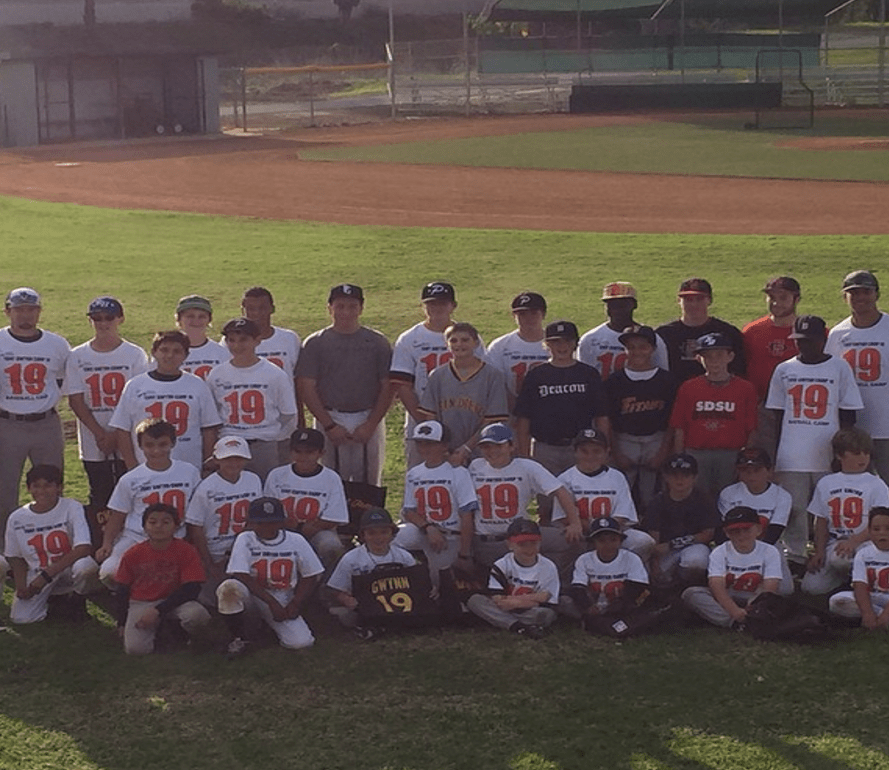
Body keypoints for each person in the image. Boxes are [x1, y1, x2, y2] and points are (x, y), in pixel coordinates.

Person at [766, 314, 864, 565]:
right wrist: (776, 455)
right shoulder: (784, 369)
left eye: (811, 340)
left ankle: (831, 552)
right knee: (795, 509)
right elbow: (776, 416)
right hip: (791, 453)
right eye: (800, 340)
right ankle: (796, 554)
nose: (805, 345)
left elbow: (847, 415)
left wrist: (841, 454)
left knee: (830, 509)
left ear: (824, 339)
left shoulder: (839, 367)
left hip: (827, 452)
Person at [297, 283, 392, 485]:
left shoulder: (377, 342)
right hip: (330, 415)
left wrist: (371, 424)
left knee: (369, 481)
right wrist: (329, 425)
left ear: (361, 308)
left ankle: (367, 518)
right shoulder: (316, 342)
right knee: (329, 479)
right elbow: (306, 387)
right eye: (340, 306)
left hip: (367, 415)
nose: (346, 312)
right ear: (329, 308)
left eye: (352, 306)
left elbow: (388, 386)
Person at [513, 320, 609, 519]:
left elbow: (601, 415)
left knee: (582, 501)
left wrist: (604, 447)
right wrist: (523, 455)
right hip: (545, 448)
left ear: (575, 343)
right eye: (555, 342)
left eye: (566, 341)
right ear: (546, 344)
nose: (562, 347)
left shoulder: (588, 374)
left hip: (582, 448)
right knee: (546, 506)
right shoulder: (536, 375)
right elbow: (523, 419)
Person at [66, 296, 149, 524]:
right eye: (97, 318)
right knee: (100, 494)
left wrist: (115, 433)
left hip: (128, 437)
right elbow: (75, 399)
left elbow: (139, 398)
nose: (103, 323)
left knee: (131, 491)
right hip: (94, 439)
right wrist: (99, 433)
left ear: (120, 319)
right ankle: (101, 545)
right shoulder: (78, 355)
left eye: (108, 318)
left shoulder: (134, 354)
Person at [0, 287, 70, 547]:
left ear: (39, 311)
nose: (25, 315)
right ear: (8, 311)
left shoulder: (57, 344)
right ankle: (8, 549)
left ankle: (51, 542)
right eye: (19, 309)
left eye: (31, 309)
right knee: (5, 489)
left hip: (45, 422)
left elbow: (65, 381)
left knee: (52, 483)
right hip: (8, 422)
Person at [96, 418, 202, 586]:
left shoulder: (189, 472)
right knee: (110, 572)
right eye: (150, 445)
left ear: (173, 443)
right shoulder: (130, 479)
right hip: (137, 537)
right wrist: (107, 543)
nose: (156, 450)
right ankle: (126, 598)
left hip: (175, 537)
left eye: (162, 444)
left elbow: (196, 512)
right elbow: (117, 516)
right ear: (140, 446)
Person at [468, 422, 581, 577]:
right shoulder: (474, 466)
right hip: (487, 542)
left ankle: (555, 583)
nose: (492, 451)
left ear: (511, 446)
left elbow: (560, 491)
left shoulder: (527, 467)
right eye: (487, 446)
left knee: (569, 540)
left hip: (522, 535)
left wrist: (575, 523)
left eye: (498, 445)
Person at [390, 281, 483, 469]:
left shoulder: (468, 336)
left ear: (453, 306)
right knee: (422, 477)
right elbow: (403, 386)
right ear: (423, 306)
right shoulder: (410, 338)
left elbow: (481, 379)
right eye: (431, 303)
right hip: (422, 418)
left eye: (442, 303)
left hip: (463, 416)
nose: (437, 308)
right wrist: (425, 421)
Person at [217, 497, 324, 655]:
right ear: (251, 523)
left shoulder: (296, 540)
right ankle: (238, 637)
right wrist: (271, 603)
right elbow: (240, 574)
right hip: (253, 593)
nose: (266, 527)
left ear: (282, 522)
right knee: (229, 588)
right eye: (260, 522)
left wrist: (295, 603)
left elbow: (311, 575)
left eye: (272, 522)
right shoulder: (245, 538)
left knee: (301, 643)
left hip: (283, 594)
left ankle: (267, 626)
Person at [109, 330, 220, 472]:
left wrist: (206, 466)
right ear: (154, 352)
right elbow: (122, 429)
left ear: (186, 355)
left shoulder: (197, 385)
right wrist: (132, 466)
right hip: (146, 467)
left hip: (189, 466)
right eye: (164, 350)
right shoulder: (135, 385)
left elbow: (208, 429)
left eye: (177, 351)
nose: (170, 356)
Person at [206, 318, 298, 481]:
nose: (237, 346)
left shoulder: (274, 373)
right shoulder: (217, 374)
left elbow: (288, 412)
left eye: (243, 340)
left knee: (266, 489)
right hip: (230, 442)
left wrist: (270, 433)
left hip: (262, 444)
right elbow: (212, 413)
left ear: (257, 340)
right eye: (231, 340)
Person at [4, 464, 98, 624]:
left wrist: (47, 575)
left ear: (59, 488)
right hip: (38, 572)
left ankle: (77, 599)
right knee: (21, 618)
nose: (42, 491)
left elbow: (83, 547)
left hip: (67, 570)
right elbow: (15, 556)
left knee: (86, 568)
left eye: (48, 485)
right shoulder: (17, 518)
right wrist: (21, 586)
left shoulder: (71, 507)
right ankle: (55, 603)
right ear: (28, 488)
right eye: (36, 486)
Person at [669, 332, 758, 499]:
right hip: (696, 452)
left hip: (730, 453)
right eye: (708, 356)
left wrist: (745, 459)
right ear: (698, 359)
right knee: (697, 497)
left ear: (730, 356)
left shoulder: (745, 388)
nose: (714, 361)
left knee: (728, 497)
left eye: (719, 355)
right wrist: (680, 457)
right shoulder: (688, 388)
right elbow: (679, 427)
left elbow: (752, 428)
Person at [802, 427, 889, 596]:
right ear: (839, 455)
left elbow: (883, 522)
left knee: (840, 559)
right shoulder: (826, 482)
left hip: (865, 542)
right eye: (856, 453)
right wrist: (819, 551)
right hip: (835, 541)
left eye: (866, 453)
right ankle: (844, 579)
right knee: (810, 587)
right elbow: (820, 521)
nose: (862, 458)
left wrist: (854, 541)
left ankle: (857, 583)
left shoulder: (876, 484)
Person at [115, 502, 210, 655]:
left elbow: (192, 588)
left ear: (176, 527)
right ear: (144, 527)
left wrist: (158, 610)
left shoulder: (186, 550)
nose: (159, 526)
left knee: (197, 615)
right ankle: (161, 633)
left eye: (166, 522)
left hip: (176, 601)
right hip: (142, 602)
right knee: (135, 650)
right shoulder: (133, 554)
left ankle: (182, 633)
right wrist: (121, 621)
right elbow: (122, 589)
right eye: (152, 522)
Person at [393, 420, 478, 586]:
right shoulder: (414, 473)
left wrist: (464, 553)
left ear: (445, 446)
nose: (424, 448)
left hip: (451, 537)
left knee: (440, 582)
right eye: (420, 443)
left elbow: (467, 515)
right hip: (424, 531)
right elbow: (409, 511)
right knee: (389, 540)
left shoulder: (459, 473)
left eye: (430, 444)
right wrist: (428, 528)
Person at [825, 270, 889, 484]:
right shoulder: (837, 334)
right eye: (854, 293)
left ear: (877, 295)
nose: (860, 297)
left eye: (866, 292)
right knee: (858, 488)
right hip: (854, 428)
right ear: (845, 297)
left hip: (886, 427)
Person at [604, 324, 677, 511]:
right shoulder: (614, 381)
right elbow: (608, 420)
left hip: (656, 440)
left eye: (642, 346)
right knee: (622, 495)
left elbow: (672, 421)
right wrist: (615, 451)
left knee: (652, 495)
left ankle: (652, 530)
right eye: (631, 347)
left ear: (652, 349)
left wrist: (663, 451)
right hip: (624, 440)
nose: (637, 351)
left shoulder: (667, 380)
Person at [552, 429, 655, 560]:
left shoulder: (617, 477)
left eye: (596, 451)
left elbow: (622, 515)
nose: (590, 456)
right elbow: (563, 517)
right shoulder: (565, 478)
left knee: (643, 541)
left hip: (613, 535)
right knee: (565, 539)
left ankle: (629, 574)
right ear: (575, 452)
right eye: (584, 451)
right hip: (582, 535)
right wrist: (594, 530)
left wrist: (605, 532)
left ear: (607, 452)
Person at [185, 436, 263, 607]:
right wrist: (210, 564)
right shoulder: (206, 488)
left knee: (252, 594)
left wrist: (235, 553)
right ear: (216, 460)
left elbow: (254, 519)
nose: (233, 463)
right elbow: (195, 527)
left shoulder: (253, 480)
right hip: (215, 551)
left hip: (244, 548)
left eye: (238, 458)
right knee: (212, 601)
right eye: (227, 458)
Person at [418, 322, 509, 465]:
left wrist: (466, 448)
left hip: (481, 451)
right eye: (453, 340)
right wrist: (444, 450)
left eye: (465, 340)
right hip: (446, 453)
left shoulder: (492, 376)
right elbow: (431, 417)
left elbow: (492, 420)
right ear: (447, 344)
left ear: (476, 343)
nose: (459, 344)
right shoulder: (437, 375)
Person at [682, 506, 785, 629]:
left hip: (755, 597)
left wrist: (754, 605)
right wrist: (734, 610)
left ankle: (747, 619)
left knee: (777, 598)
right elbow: (716, 585)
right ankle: (735, 622)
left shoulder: (769, 551)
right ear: (726, 533)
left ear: (758, 529)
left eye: (746, 529)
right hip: (727, 596)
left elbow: (770, 587)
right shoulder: (720, 551)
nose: (741, 535)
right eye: (735, 531)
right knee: (691, 594)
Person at [263, 428, 349, 571]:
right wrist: (294, 527)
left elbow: (334, 517)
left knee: (331, 546)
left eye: (309, 452)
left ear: (321, 453)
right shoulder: (277, 475)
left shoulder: (331, 477)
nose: (303, 456)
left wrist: (308, 528)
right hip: (283, 529)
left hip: (319, 530)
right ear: (290, 452)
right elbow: (268, 510)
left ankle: (328, 586)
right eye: (298, 451)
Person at [327, 506, 418, 638]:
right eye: (372, 533)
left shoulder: (403, 556)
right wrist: (347, 599)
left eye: (383, 532)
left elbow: (416, 582)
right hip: (365, 607)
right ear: (363, 535)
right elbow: (335, 588)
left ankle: (380, 628)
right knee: (347, 616)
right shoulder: (351, 559)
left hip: (399, 606)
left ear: (392, 533)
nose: (378, 537)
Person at [238, 286, 304, 458]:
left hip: (285, 425)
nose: (256, 313)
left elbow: (297, 383)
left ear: (272, 308)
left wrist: (301, 423)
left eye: (262, 308)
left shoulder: (289, 339)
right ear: (242, 310)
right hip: (249, 426)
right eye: (250, 308)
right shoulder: (232, 342)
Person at [466, 518, 560, 639]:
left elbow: (545, 598)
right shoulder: (502, 564)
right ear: (509, 545)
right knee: (475, 601)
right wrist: (526, 601)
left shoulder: (548, 566)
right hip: (506, 607)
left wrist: (518, 602)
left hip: (529, 610)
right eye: (522, 544)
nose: (529, 549)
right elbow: (497, 597)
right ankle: (519, 627)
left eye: (533, 543)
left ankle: (503, 621)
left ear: (540, 543)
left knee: (547, 615)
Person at [566, 517, 661, 637]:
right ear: (593, 542)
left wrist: (619, 606)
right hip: (594, 606)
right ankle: (601, 624)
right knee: (566, 602)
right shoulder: (584, 560)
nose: (608, 545)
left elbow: (638, 588)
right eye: (602, 540)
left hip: (623, 607)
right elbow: (578, 587)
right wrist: (588, 606)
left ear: (620, 541)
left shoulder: (631, 558)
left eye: (613, 539)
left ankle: (612, 626)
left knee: (647, 610)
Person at [716, 447, 794, 593]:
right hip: (734, 545)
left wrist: (755, 556)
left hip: (768, 546)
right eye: (745, 471)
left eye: (757, 470)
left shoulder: (782, 496)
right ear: (738, 472)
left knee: (785, 590)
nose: (751, 476)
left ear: (769, 471)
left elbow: (775, 531)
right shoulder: (728, 493)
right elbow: (724, 531)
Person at [742, 277, 802, 457]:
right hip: (762, 406)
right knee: (763, 457)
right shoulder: (752, 331)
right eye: (771, 297)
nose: (776, 302)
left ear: (796, 299)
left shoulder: (810, 332)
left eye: (783, 297)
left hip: (799, 407)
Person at [645, 453, 719, 590]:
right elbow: (654, 538)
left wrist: (673, 544)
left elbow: (707, 534)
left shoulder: (704, 500)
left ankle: (686, 590)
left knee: (696, 561)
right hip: (665, 552)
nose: (680, 480)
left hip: (693, 546)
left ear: (694, 477)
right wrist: (655, 563)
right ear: (666, 477)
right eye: (674, 475)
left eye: (685, 475)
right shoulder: (657, 502)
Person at [655, 277, 745, 384]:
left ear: (709, 300)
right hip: (674, 394)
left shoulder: (728, 332)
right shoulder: (664, 334)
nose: (694, 304)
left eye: (699, 299)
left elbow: (739, 370)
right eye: (688, 300)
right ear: (678, 301)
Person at [577, 282, 668, 379]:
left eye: (622, 304)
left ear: (634, 305)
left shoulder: (652, 338)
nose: (617, 309)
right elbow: (582, 377)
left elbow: (661, 373)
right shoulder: (589, 339)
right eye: (612, 304)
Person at [485, 292, 550, 411]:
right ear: (514, 316)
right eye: (522, 314)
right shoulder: (499, 346)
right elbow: (495, 384)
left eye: (534, 313)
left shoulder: (556, 343)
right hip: (511, 411)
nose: (528, 318)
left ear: (543, 314)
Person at [828, 506, 889, 627]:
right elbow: (860, 586)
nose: (882, 533)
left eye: (888, 529)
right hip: (873, 597)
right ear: (869, 532)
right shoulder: (864, 553)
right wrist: (867, 613)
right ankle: (876, 617)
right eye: (876, 529)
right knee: (838, 601)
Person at [175, 294, 229, 380]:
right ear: (179, 319)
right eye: (190, 316)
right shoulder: (166, 352)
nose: (196, 321)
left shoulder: (222, 354)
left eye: (202, 316)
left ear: (209, 320)